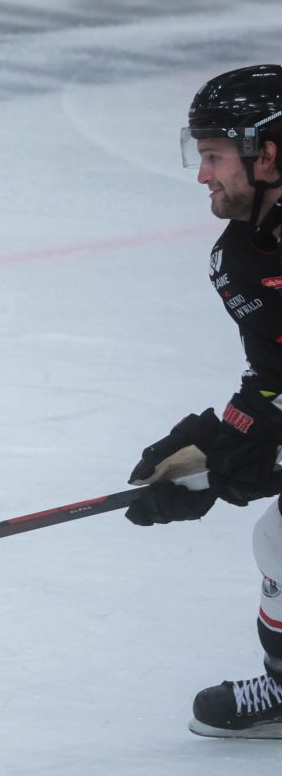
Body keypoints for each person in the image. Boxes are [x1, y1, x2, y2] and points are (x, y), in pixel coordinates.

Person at [125, 64, 282, 737]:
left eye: (214, 155)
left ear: (267, 153)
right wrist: (216, 443)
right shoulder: (242, 257)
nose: (202, 175)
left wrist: (246, 460)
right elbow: (274, 374)